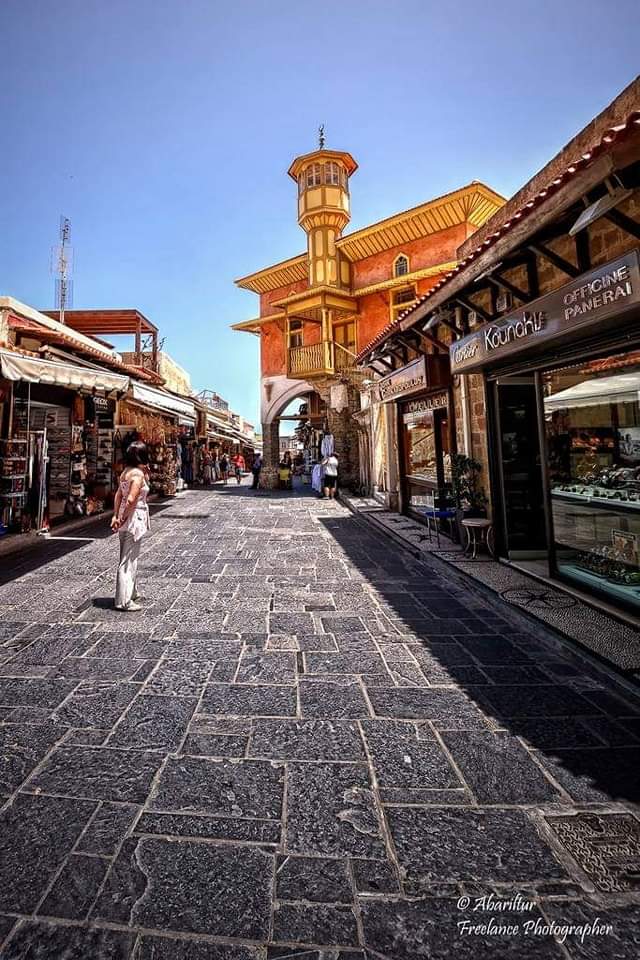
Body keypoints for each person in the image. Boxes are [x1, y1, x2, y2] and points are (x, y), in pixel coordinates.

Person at [111, 441, 151, 612]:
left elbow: (119, 495)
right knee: (128, 561)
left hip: (125, 518)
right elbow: (131, 500)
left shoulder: (125, 473)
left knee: (127, 556)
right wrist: (123, 517)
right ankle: (124, 600)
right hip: (133, 518)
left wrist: (115, 516)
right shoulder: (138, 475)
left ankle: (131, 592)